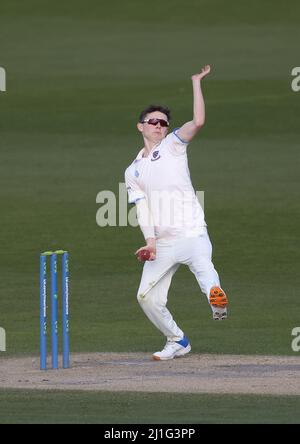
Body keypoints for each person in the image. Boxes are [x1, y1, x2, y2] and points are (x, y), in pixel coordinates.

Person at [125, 65, 228, 361]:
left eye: (163, 123)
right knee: (146, 297)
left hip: (192, 231)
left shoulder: (172, 145)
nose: (159, 126)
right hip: (164, 243)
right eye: (153, 122)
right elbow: (142, 209)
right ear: (141, 126)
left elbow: (197, 121)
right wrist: (151, 242)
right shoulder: (132, 171)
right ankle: (177, 340)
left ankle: (217, 302)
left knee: (205, 270)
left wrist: (196, 83)